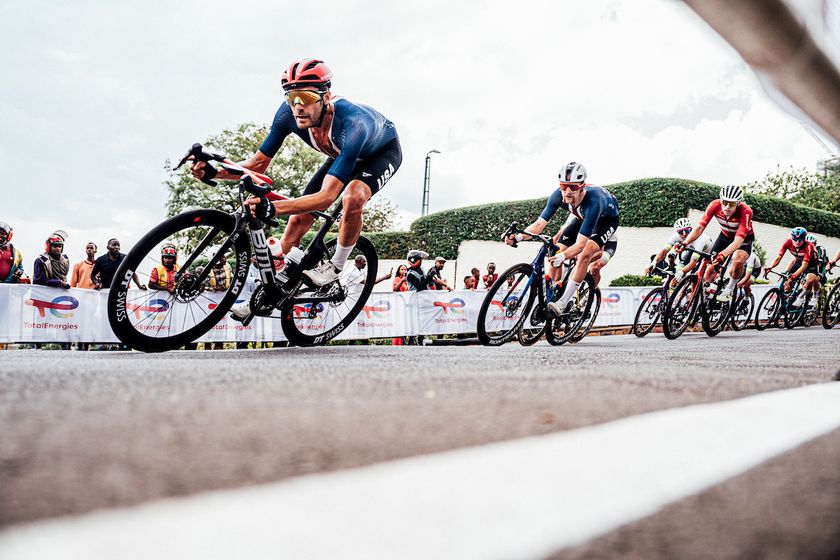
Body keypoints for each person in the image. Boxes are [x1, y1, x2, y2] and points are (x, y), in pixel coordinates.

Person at [190, 59, 402, 318]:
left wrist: (272, 208)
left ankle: (335, 265)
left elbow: (326, 198)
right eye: (292, 97)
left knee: (352, 196)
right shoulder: (287, 114)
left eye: (306, 96)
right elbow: (257, 164)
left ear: (325, 97)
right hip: (341, 154)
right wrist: (214, 171)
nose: (298, 106)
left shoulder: (353, 123)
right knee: (296, 222)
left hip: (381, 152)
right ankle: (266, 295)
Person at [505, 162, 619, 316]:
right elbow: (538, 225)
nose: (568, 191)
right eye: (564, 186)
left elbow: (580, 245)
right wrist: (517, 237)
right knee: (556, 249)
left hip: (605, 221)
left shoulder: (594, 201)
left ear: (582, 187)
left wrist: (564, 256)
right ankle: (552, 292)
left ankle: (563, 302)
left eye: (573, 187)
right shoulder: (558, 195)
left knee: (585, 255)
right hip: (581, 218)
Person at [678, 185, 754, 302]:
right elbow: (699, 228)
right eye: (725, 202)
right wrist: (685, 243)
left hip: (743, 239)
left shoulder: (746, 211)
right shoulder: (714, 205)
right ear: (720, 200)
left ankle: (731, 286)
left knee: (738, 259)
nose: (727, 207)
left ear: (738, 203)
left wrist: (722, 255)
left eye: (732, 204)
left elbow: (738, 241)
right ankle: (703, 300)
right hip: (725, 236)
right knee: (710, 269)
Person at [646, 218, 712, 287]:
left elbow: (693, 262)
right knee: (678, 270)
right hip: (693, 251)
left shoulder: (700, 239)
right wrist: (654, 262)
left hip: (707, 253)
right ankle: (679, 293)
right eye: (680, 232)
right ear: (677, 232)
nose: (684, 234)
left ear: (691, 229)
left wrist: (682, 272)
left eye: (687, 230)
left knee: (696, 277)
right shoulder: (675, 236)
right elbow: (664, 251)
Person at [764, 227, 820, 306]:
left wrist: (794, 276)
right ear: (791, 238)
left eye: (800, 240)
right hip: (799, 261)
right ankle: (788, 300)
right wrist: (770, 267)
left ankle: (801, 297)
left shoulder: (809, 246)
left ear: (804, 239)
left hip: (811, 264)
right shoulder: (787, 242)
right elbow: (778, 258)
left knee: (810, 280)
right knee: (787, 283)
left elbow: (804, 266)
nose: (797, 242)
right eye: (795, 239)